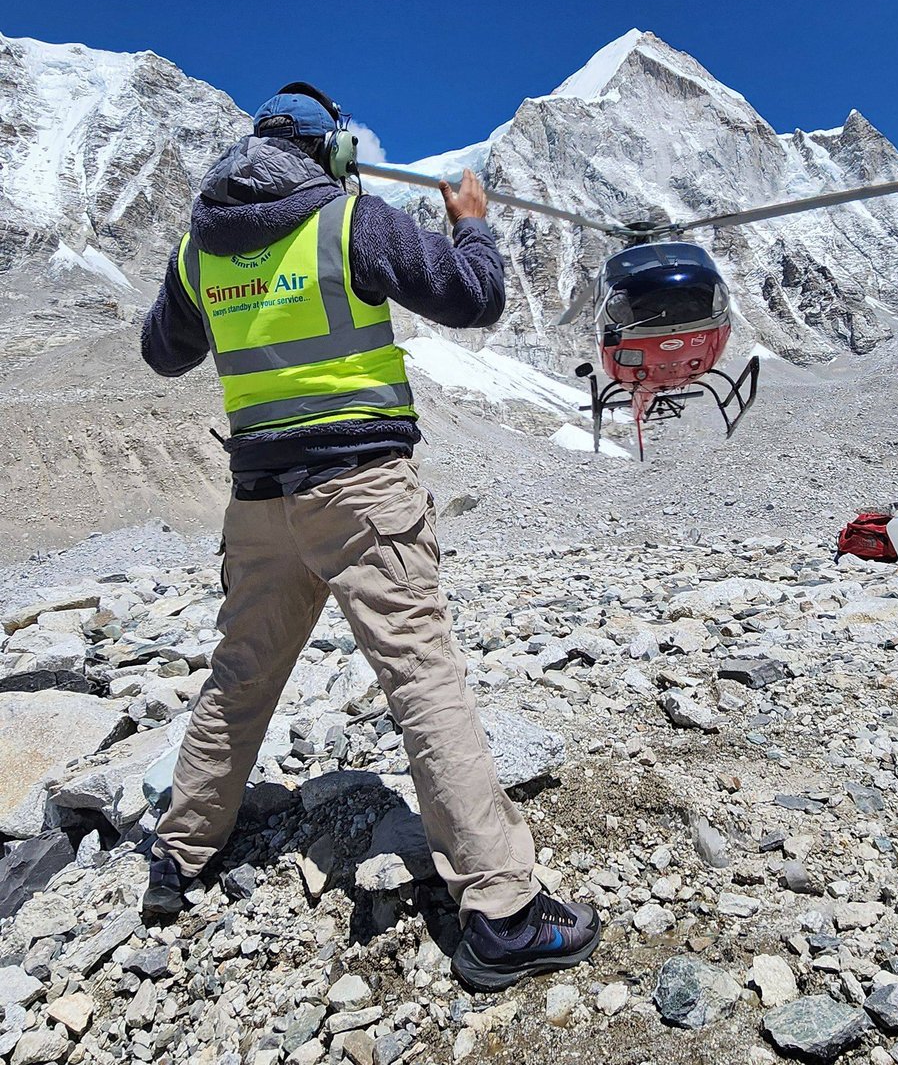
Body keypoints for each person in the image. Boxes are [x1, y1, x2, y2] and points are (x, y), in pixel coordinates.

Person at [139, 81, 600, 990]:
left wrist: (196, 280)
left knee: (240, 677)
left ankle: (179, 853)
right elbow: (475, 297)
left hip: (260, 507)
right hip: (361, 497)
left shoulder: (202, 248)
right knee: (421, 677)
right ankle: (501, 909)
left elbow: (164, 352)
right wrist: (469, 221)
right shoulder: (351, 220)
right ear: (334, 152)